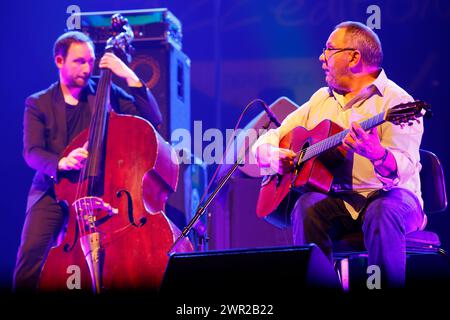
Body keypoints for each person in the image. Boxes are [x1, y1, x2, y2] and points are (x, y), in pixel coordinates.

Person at [253, 21, 425, 288]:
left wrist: (379, 155)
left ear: (353, 57)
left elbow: (404, 167)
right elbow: (269, 137)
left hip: (395, 199)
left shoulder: (398, 102)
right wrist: (271, 154)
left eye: (329, 49)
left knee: (382, 210)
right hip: (341, 202)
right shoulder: (321, 99)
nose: (322, 57)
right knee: (306, 206)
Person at [14, 31, 162, 291]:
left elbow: (153, 118)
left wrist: (128, 74)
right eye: (79, 61)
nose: (87, 68)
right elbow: (32, 152)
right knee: (30, 255)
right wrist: (62, 161)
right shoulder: (38, 103)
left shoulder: (105, 92)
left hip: (98, 188)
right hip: (52, 190)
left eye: (90, 61)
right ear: (59, 61)